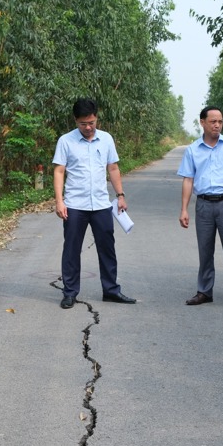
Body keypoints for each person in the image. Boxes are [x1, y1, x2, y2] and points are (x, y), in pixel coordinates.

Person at [53, 98, 136, 309]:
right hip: (74, 205)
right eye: (83, 124)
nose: (88, 128)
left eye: (91, 123)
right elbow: (59, 171)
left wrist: (120, 195)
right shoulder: (66, 141)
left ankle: (111, 290)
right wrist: (59, 201)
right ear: (75, 121)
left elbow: (114, 168)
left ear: (96, 118)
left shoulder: (106, 139)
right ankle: (70, 292)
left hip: (101, 205)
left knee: (107, 249)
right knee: (71, 250)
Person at [178, 106, 223, 310]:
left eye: (220, 121)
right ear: (202, 122)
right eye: (213, 121)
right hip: (204, 205)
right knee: (205, 250)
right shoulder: (193, 149)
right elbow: (188, 179)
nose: (217, 125)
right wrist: (184, 209)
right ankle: (204, 291)